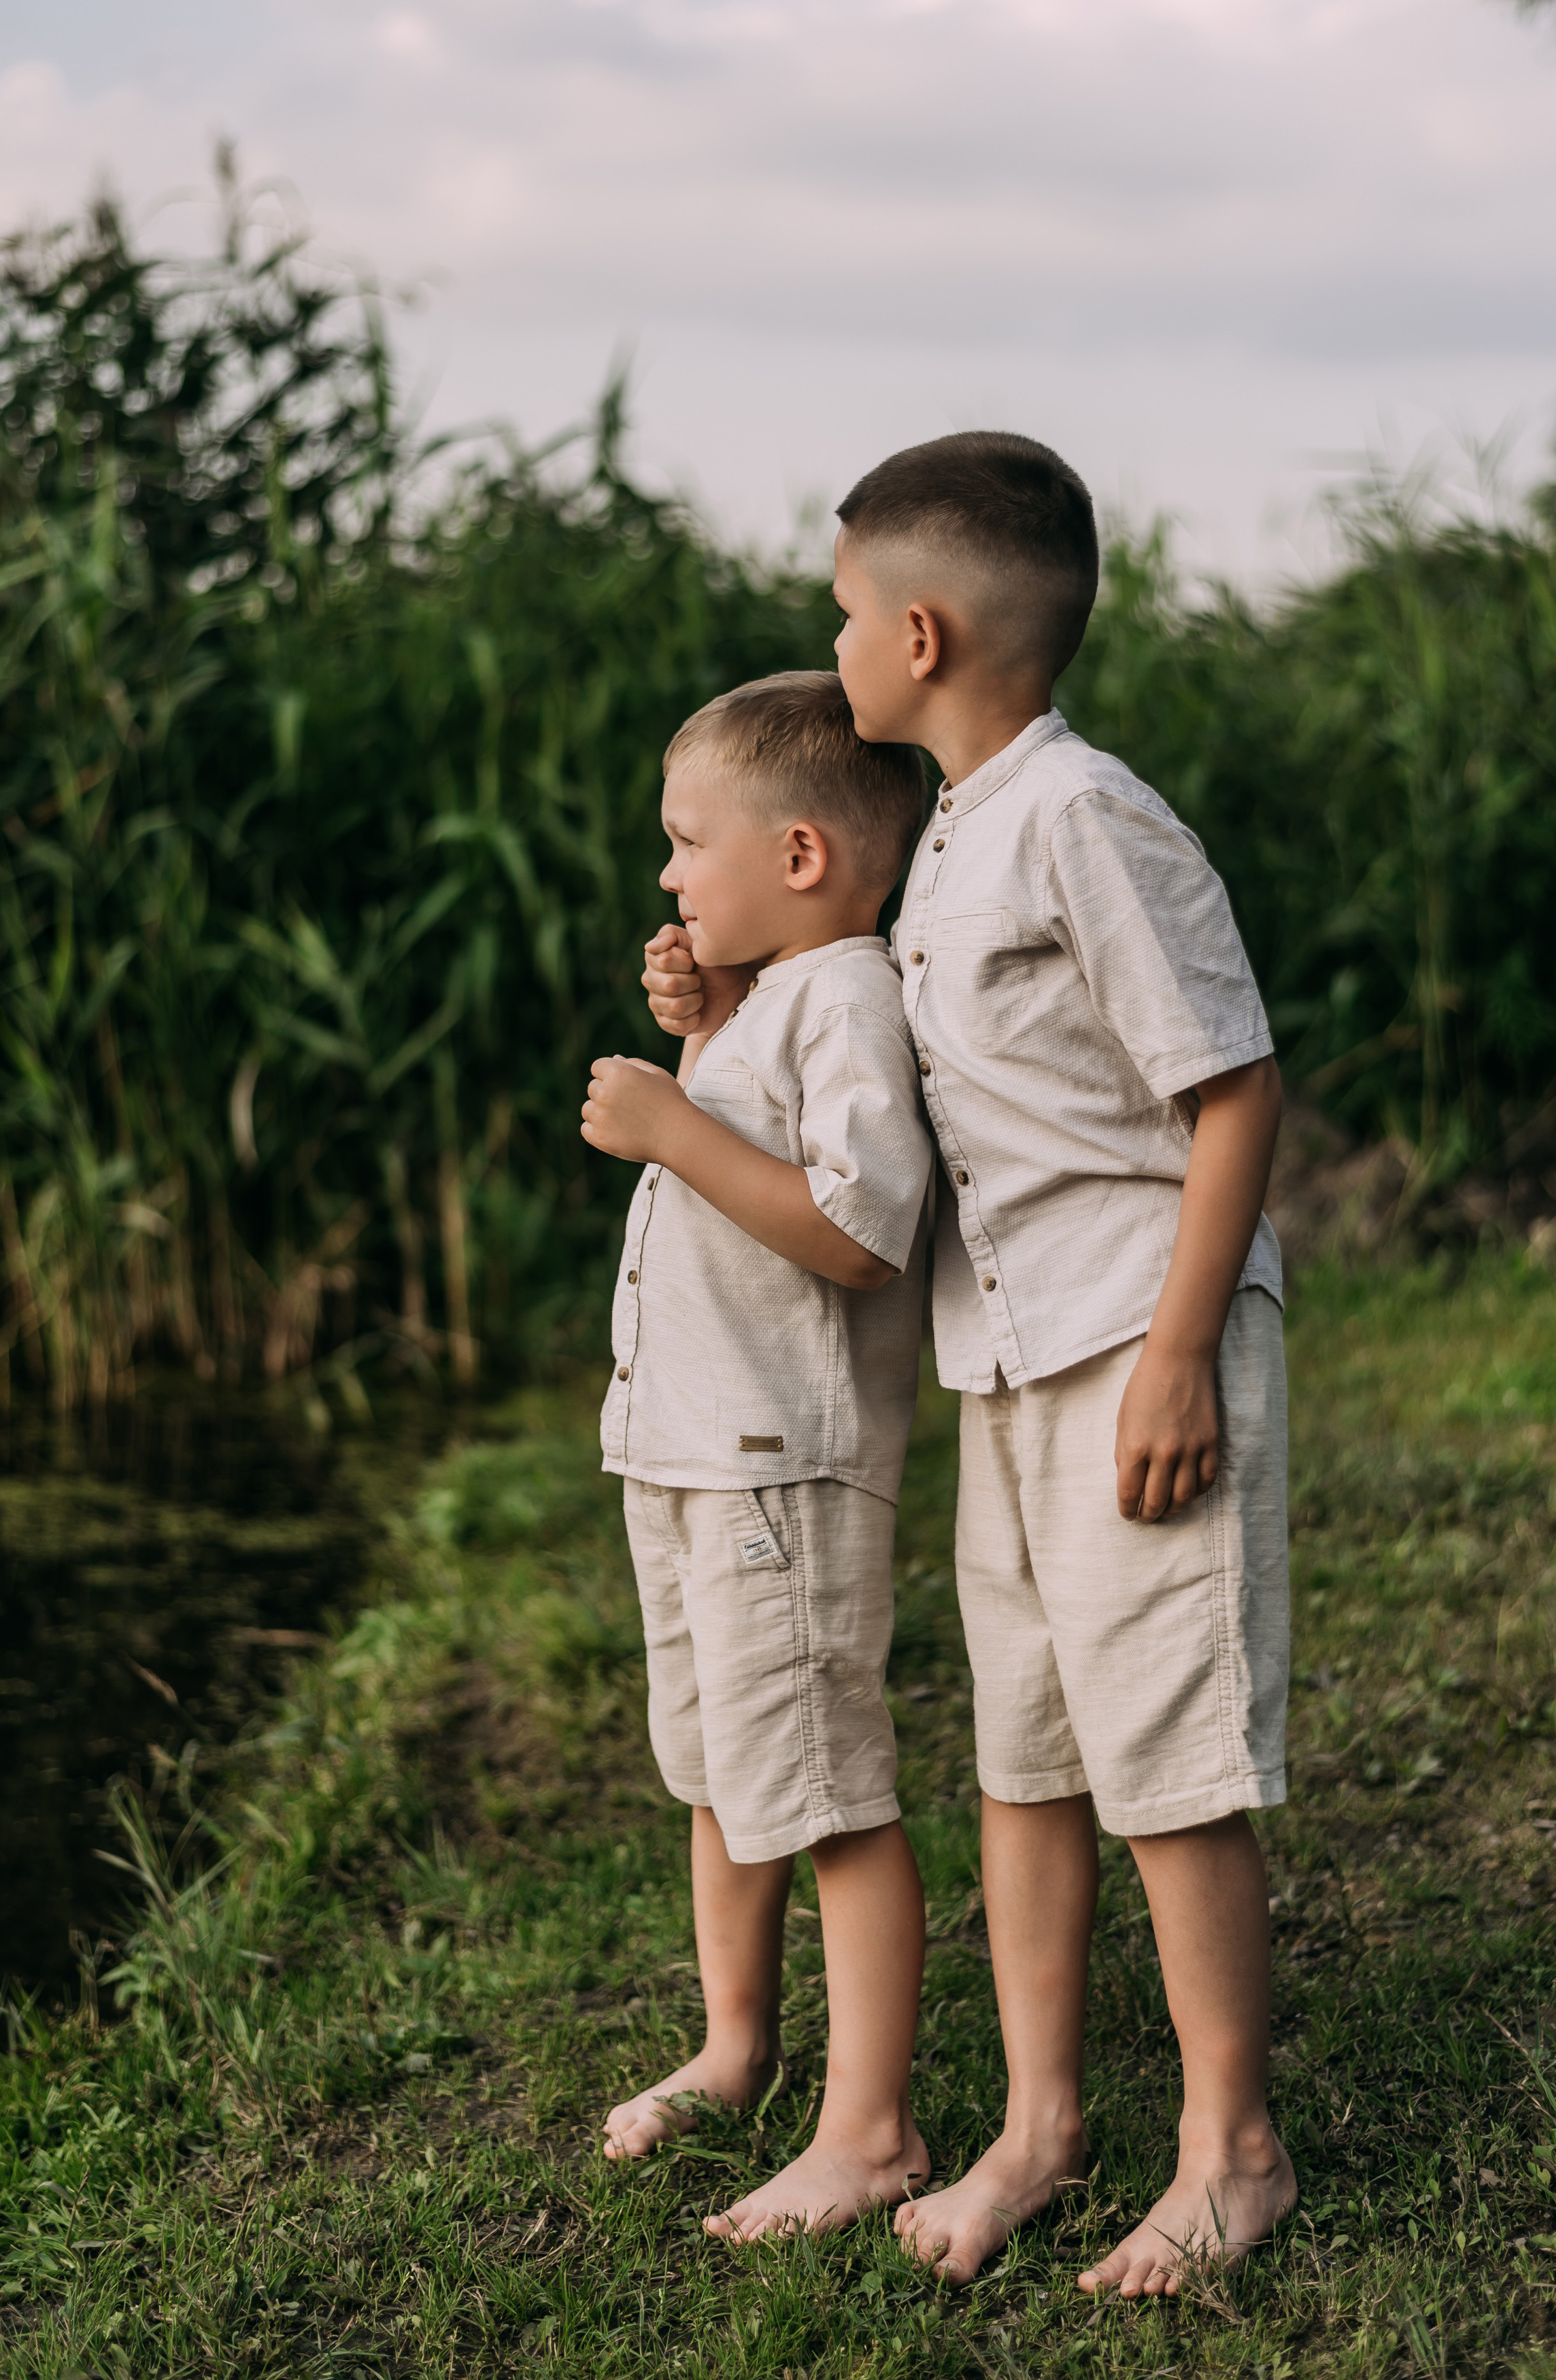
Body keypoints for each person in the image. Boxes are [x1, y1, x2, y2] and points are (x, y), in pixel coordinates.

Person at [643, 432, 1295, 2300]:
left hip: (1124, 1340)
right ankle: (1037, 2119)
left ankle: (1234, 2145)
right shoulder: (944, 848)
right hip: (1001, 1360)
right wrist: (724, 1001)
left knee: (1165, 1756)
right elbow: (880, 1069)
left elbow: (1233, 1086)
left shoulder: (1086, 817)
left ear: (918, 631)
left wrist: (1179, 1354)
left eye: (845, 614)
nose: (833, 643)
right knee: (1028, 1749)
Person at [581, 669, 936, 2242]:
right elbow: (773, 1149)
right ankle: (735, 2049)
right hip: (689, 1455)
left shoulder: (853, 992)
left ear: (796, 858)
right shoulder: (785, 996)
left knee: (828, 1792)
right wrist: (720, 1031)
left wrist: (674, 1123)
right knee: (723, 1773)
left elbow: (860, 1229)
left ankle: (869, 2129)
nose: (665, 875)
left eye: (684, 843)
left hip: (775, 1466)